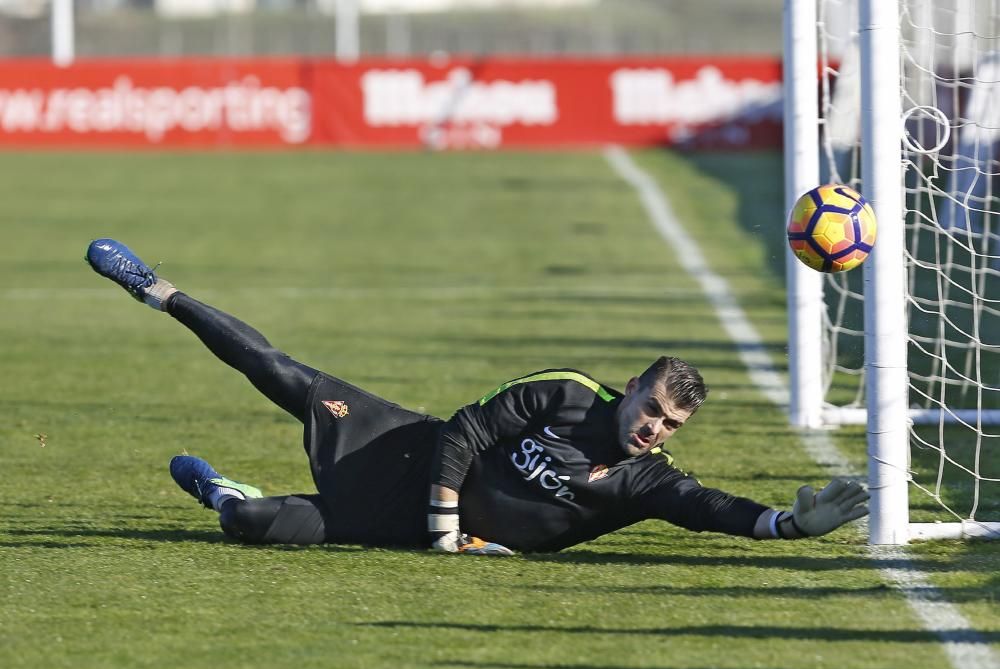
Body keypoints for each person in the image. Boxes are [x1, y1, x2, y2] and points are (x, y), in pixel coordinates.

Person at [85, 238, 870, 555]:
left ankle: (225, 488)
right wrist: (445, 523)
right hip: (409, 458)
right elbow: (465, 428)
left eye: (668, 424)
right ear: (630, 389)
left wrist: (792, 525)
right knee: (280, 373)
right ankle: (161, 292)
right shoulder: (566, 394)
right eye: (650, 409)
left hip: (391, 526)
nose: (654, 429)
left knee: (248, 524)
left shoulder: (647, 482)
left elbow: (719, 511)